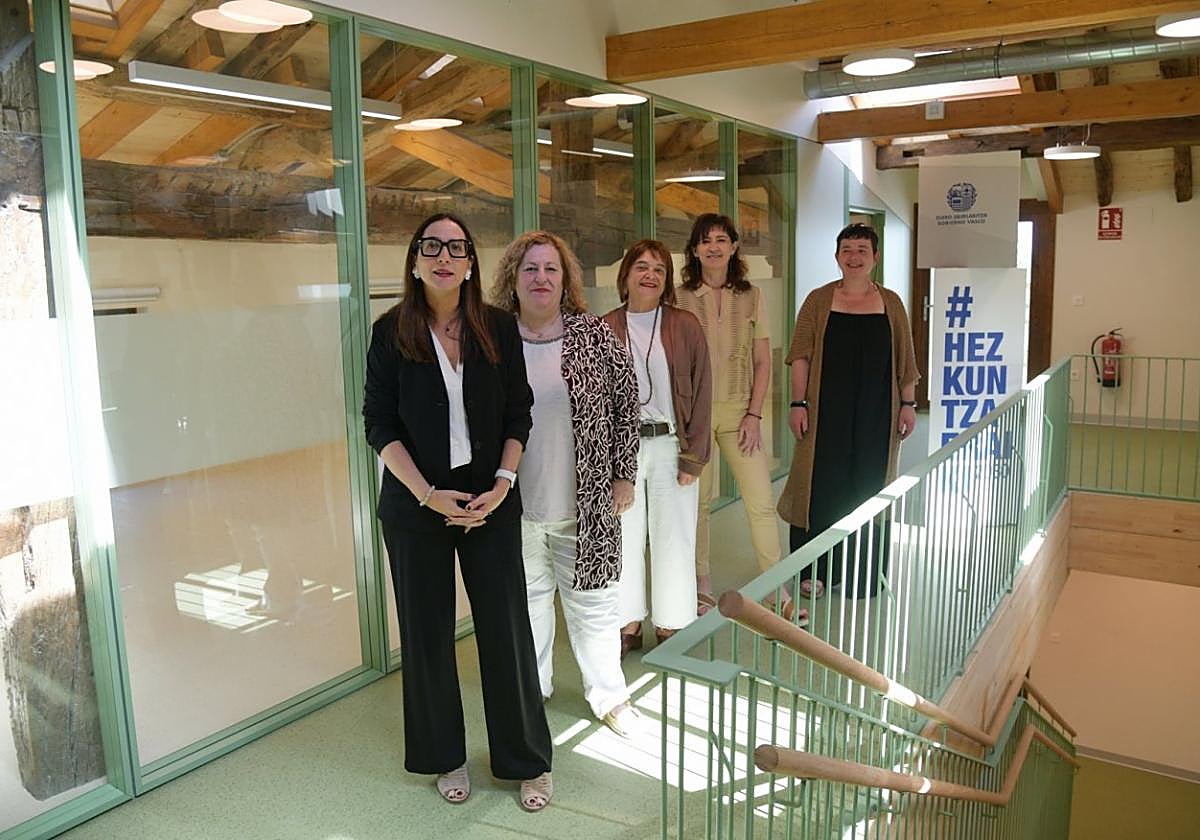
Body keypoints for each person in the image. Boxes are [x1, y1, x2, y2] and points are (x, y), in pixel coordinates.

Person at [362, 213, 553, 811]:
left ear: (471, 262)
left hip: (490, 498)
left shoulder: (498, 328)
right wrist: (426, 495)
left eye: (457, 247)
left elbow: (519, 412)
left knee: (506, 631)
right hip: (417, 505)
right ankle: (445, 756)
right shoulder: (390, 332)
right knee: (427, 636)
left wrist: (501, 483)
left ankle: (524, 759)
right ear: (416, 260)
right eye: (432, 246)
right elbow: (379, 424)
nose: (444, 256)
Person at [493, 231, 644, 738]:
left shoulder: (593, 336)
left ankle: (610, 697)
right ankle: (533, 690)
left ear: (565, 279)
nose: (540, 278)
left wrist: (624, 473)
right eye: (530, 268)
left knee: (596, 608)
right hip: (511, 508)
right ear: (513, 279)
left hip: (588, 505)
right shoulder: (493, 340)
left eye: (550, 269)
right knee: (528, 605)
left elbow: (627, 405)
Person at [777, 222, 919, 600]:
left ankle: (864, 574)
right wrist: (798, 403)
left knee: (869, 486)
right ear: (837, 256)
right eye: (847, 249)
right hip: (826, 413)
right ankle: (815, 571)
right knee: (823, 486)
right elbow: (800, 356)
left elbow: (906, 360)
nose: (854, 256)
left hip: (878, 412)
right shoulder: (818, 300)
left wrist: (907, 404)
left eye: (862, 249)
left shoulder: (891, 303)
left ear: (874, 257)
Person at [675, 213, 800, 624]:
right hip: (693, 417)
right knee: (700, 504)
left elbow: (764, 361)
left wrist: (753, 414)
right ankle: (701, 584)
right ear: (694, 250)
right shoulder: (677, 297)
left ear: (733, 247)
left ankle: (774, 585)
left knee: (760, 501)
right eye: (705, 240)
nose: (713, 246)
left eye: (721, 239)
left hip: (738, 413)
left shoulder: (751, 296)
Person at [601, 240, 712, 657]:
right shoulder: (604, 327)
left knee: (674, 539)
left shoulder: (684, 325)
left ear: (666, 281)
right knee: (622, 539)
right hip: (622, 452)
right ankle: (626, 624)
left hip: (671, 446)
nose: (650, 275)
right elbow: (594, 400)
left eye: (659, 270)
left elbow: (703, 391)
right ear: (626, 275)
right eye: (641, 267)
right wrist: (609, 465)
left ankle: (671, 625)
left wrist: (694, 456)